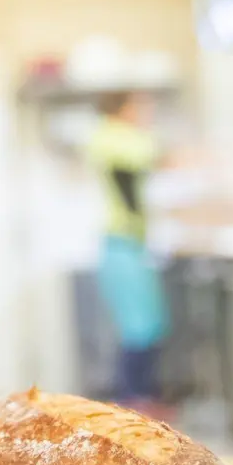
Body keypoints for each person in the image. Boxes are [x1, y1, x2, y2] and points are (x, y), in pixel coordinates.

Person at [87, 91, 171, 416]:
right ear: (120, 110)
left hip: (132, 244)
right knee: (138, 326)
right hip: (120, 244)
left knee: (148, 325)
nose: (145, 112)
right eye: (139, 107)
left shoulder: (121, 139)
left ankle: (141, 396)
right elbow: (151, 154)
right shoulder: (112, 139)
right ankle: (133, 399)